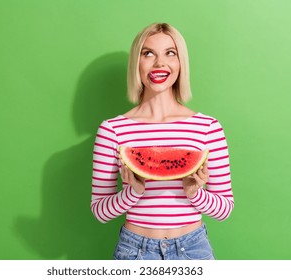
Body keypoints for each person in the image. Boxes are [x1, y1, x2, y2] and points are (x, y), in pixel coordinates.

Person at [91, 23, 234, 260]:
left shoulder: (208, 127)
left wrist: (194, 193)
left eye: (170, 53)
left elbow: (224, 210)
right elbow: (100, 211)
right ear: (137, 63)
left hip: (194, 249)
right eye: (148, 53)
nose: (159, 63)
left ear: (180, 63)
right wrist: (133, 192)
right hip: (134, 251)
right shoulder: (112, 129)